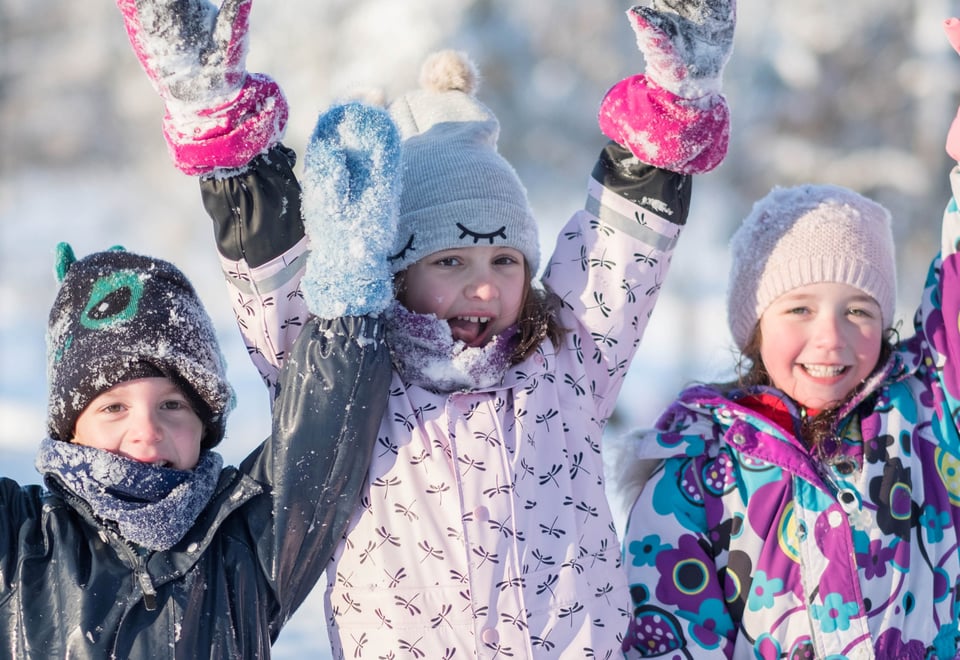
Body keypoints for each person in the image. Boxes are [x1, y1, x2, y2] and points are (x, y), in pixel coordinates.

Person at [114, 0, 736, 655]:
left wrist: (677, 99)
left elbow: (622, 247)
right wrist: (217, 123)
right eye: (450, 262)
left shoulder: (565, 360)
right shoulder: (345, 386)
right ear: (397, 274)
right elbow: (274, 276)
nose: (485, 286)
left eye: (505, 260)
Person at [615, 16, 960, 660]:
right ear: (753, 325)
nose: (830, 337)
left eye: (858, 310)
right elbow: (668, 637)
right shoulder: (698, 471)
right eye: (799, 309)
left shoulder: (923, 416)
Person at [0, 243, 389, 657]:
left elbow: (330, 415)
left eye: (172, 405)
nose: (147, 431)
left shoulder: (244, 539)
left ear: (204, 426)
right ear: (71, 430)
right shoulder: (20, 538)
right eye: (114, 408)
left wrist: (346, 267)